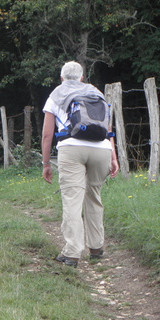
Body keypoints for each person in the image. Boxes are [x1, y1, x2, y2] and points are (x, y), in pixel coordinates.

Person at [41, 61, 119, 267]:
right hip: (102, 148)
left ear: (61, 78)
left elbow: (48, 133)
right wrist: (113, 157)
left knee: (72, 199)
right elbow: (107, 128)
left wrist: (46, 163)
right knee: (94, 196)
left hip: (71, 147)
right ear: (82, 77)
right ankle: (96, 247)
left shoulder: (56, 95)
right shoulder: (96, 93)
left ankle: (72, 252)